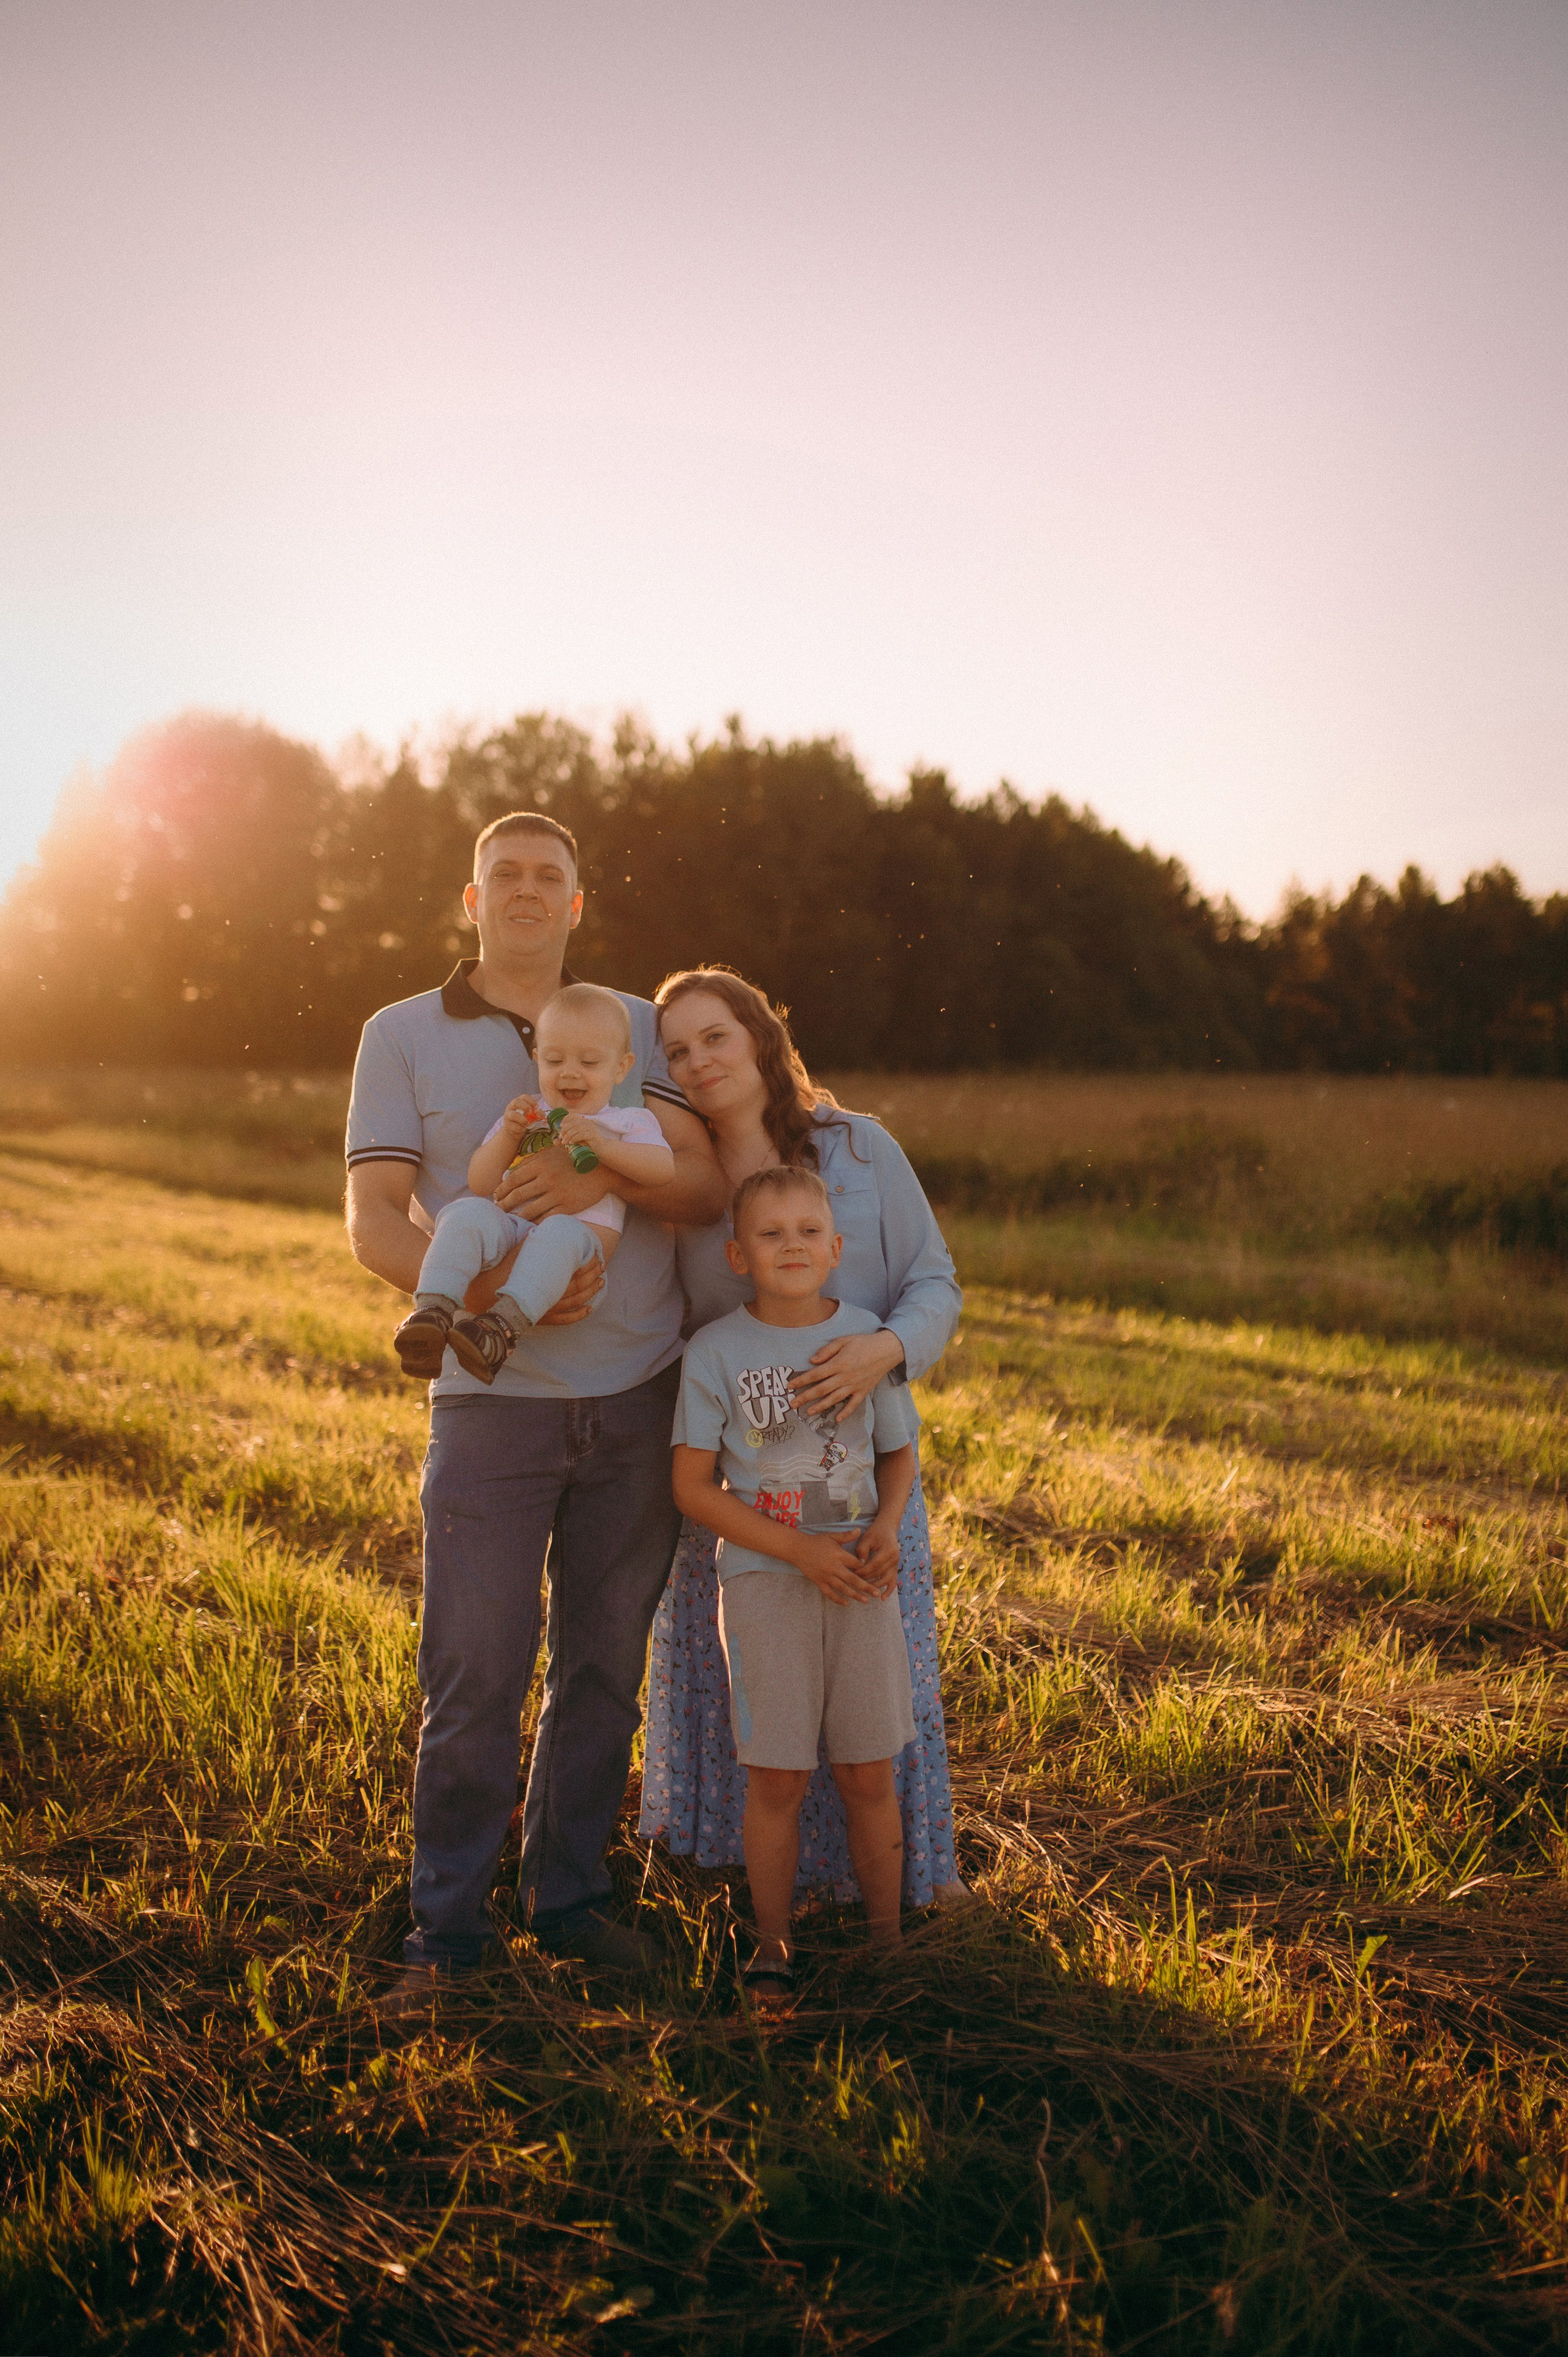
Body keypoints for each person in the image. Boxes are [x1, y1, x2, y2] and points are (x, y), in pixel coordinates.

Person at [346, 813, 728, 1999]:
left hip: (634, 1406)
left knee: (604, 1669)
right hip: (490, 1403)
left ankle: (567, 1899)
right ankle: (444, 1932)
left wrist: (593, 1171)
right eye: (502, 873)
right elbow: (374, 1221)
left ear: (575, 903)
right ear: (470, 897)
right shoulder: (398, 1034)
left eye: (546, 876)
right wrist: (493, 1293)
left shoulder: (638, 1023)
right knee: (474, 1669)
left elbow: (708, 1179)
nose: (523, 890)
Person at [639, 967, 971, 1909]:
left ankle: (900, 1884)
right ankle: (761, 1876)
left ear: (760, 1038)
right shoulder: (683, 1179)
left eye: (717, 1037)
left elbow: (935, 1280)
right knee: (761, 1698)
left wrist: (886, 1350)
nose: (700, 1062)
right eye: (678, 1051)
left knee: (873, 1684)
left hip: (860, 1475)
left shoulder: (860, 1150)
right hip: (747, 1500)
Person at [673, 1165, 919, 2001]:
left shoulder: (865, 1338)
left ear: (836, 1248)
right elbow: (693, 1487)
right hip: (763, 1581)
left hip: (859, 1580)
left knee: (867, 1771)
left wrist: (884, 1530)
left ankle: (888, 1944)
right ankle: (772, 1946)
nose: (793, 1247)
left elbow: (897, 1452)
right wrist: (796, 1551)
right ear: (739, 1254)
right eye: (772, 1235)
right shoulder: (716, 1351)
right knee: (778, 1775)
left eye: (809, 1232)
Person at [393, 981, 674, 1382]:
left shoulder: (626, 1121)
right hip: (511, 1225)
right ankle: (432, 1312)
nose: (571, 1072)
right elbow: (480, 1180)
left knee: (558, 1232)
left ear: (621, 1067)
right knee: (464, 1213)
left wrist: (604, 1150)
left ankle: (500, 1329)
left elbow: (663, 1169)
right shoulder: (528, 1114)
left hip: (579, 1240)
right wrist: (508, 1135)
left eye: (590, 1062)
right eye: (556, 1060)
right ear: (538, 1060)